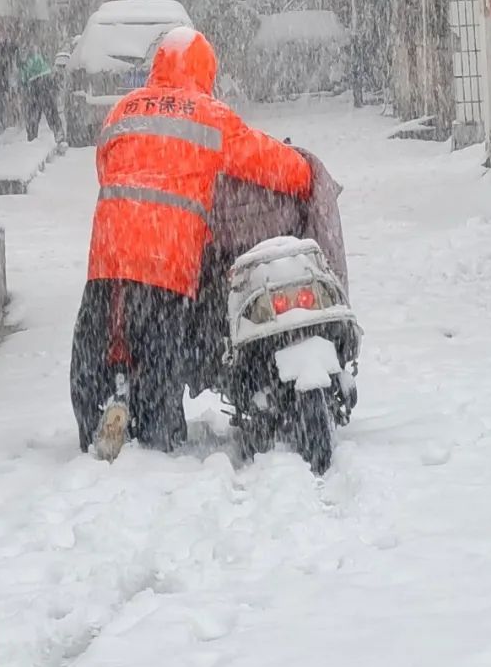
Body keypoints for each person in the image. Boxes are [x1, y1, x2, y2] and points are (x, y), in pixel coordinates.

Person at [69, 26, 313, 460]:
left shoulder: (122, 110)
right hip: (168, 259)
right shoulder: (209, 116)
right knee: (158, 354)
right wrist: (306, 170)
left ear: (157, 66)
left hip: (108, 253)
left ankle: (96, 418)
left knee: (98, 339)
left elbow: (105, 165)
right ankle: (156, 435)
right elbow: (269, 162)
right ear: (205, 72)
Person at [19, 43, 65, 145]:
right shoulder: (34, 50)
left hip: (34, 82)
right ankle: (58, 133)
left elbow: (22, 74)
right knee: (49, 109)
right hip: (45, 78)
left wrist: (22, 83)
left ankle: (32, 138)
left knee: (33, 113)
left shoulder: (21, 53)